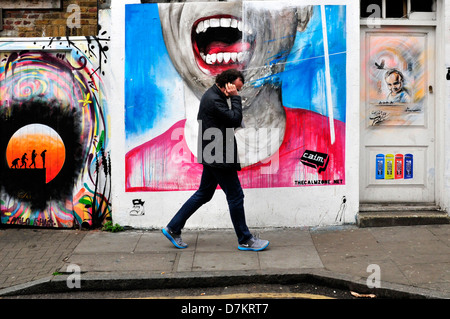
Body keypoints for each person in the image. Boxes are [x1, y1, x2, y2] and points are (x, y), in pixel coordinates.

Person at [162, 69, 269, 251]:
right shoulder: (214, 100)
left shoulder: (212, 95)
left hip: (213, 153)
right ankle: (245, 239)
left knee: (204, 193)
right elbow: (235, 119)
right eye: (236, 88)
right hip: (219, 155)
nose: (237, 91)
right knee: (235, 196)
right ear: (227, 84)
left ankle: (173, 227)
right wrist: (235, 98)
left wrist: (232, 97)